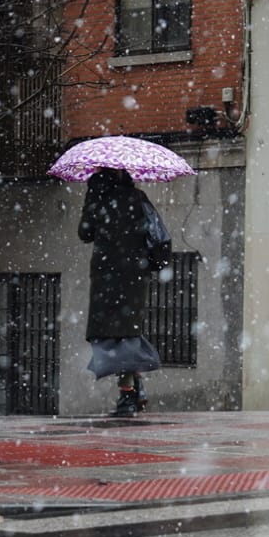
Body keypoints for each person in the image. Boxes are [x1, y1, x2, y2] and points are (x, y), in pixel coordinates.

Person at [78, 167, 163, 417]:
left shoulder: (98, 201)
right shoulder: (138, 199)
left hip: (106, 277)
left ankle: (128, 395)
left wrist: (91, 200)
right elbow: (156, 233)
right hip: (134, 275)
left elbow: (84, 233)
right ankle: (134, 388)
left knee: (113, 337)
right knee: (127, 334)